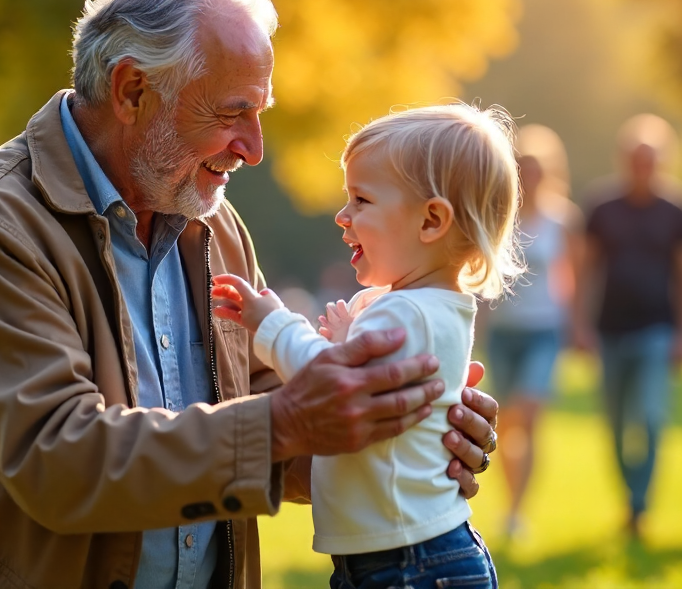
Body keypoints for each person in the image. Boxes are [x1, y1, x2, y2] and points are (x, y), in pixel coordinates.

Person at [0, 0, 501, 589]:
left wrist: (403, 432)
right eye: (231, 113)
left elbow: (276, 429)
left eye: (259, 113)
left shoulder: (212, 221)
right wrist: (294, 420)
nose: (254, 148)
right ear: (133, 90)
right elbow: (60, 460)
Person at [212, 103, 520, 589]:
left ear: (431, 220)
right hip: (408, 554)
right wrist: (344, 340)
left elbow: (332, 386)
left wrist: (272, 324)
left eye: (361, 200)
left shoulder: (406, 313)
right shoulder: (427, 306)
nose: (342, 215)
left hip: (408, 563)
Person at [571, 113, 682, 536]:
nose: (642, 166)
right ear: (624, 159)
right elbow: (585, 271)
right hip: (609, 331)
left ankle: (640, 504)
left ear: (662, 161)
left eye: (650, 159)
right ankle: (630, 496)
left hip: (656, 332)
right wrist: (579, 324)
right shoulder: (601, 207)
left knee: (648, 419)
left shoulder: (678, 211)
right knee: (612, 423)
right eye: (635, 158)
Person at [482, 124, 582, 538]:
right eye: (523, 167)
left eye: (537, 168)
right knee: (506, 426)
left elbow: (575, 276)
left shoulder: (564, 220)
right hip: (503, 332)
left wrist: (577, 325)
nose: (530, 175)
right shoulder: (497, 213)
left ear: (550, 172)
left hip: (545, 330)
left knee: (529, 413)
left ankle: (519, 509)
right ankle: (511, 506)